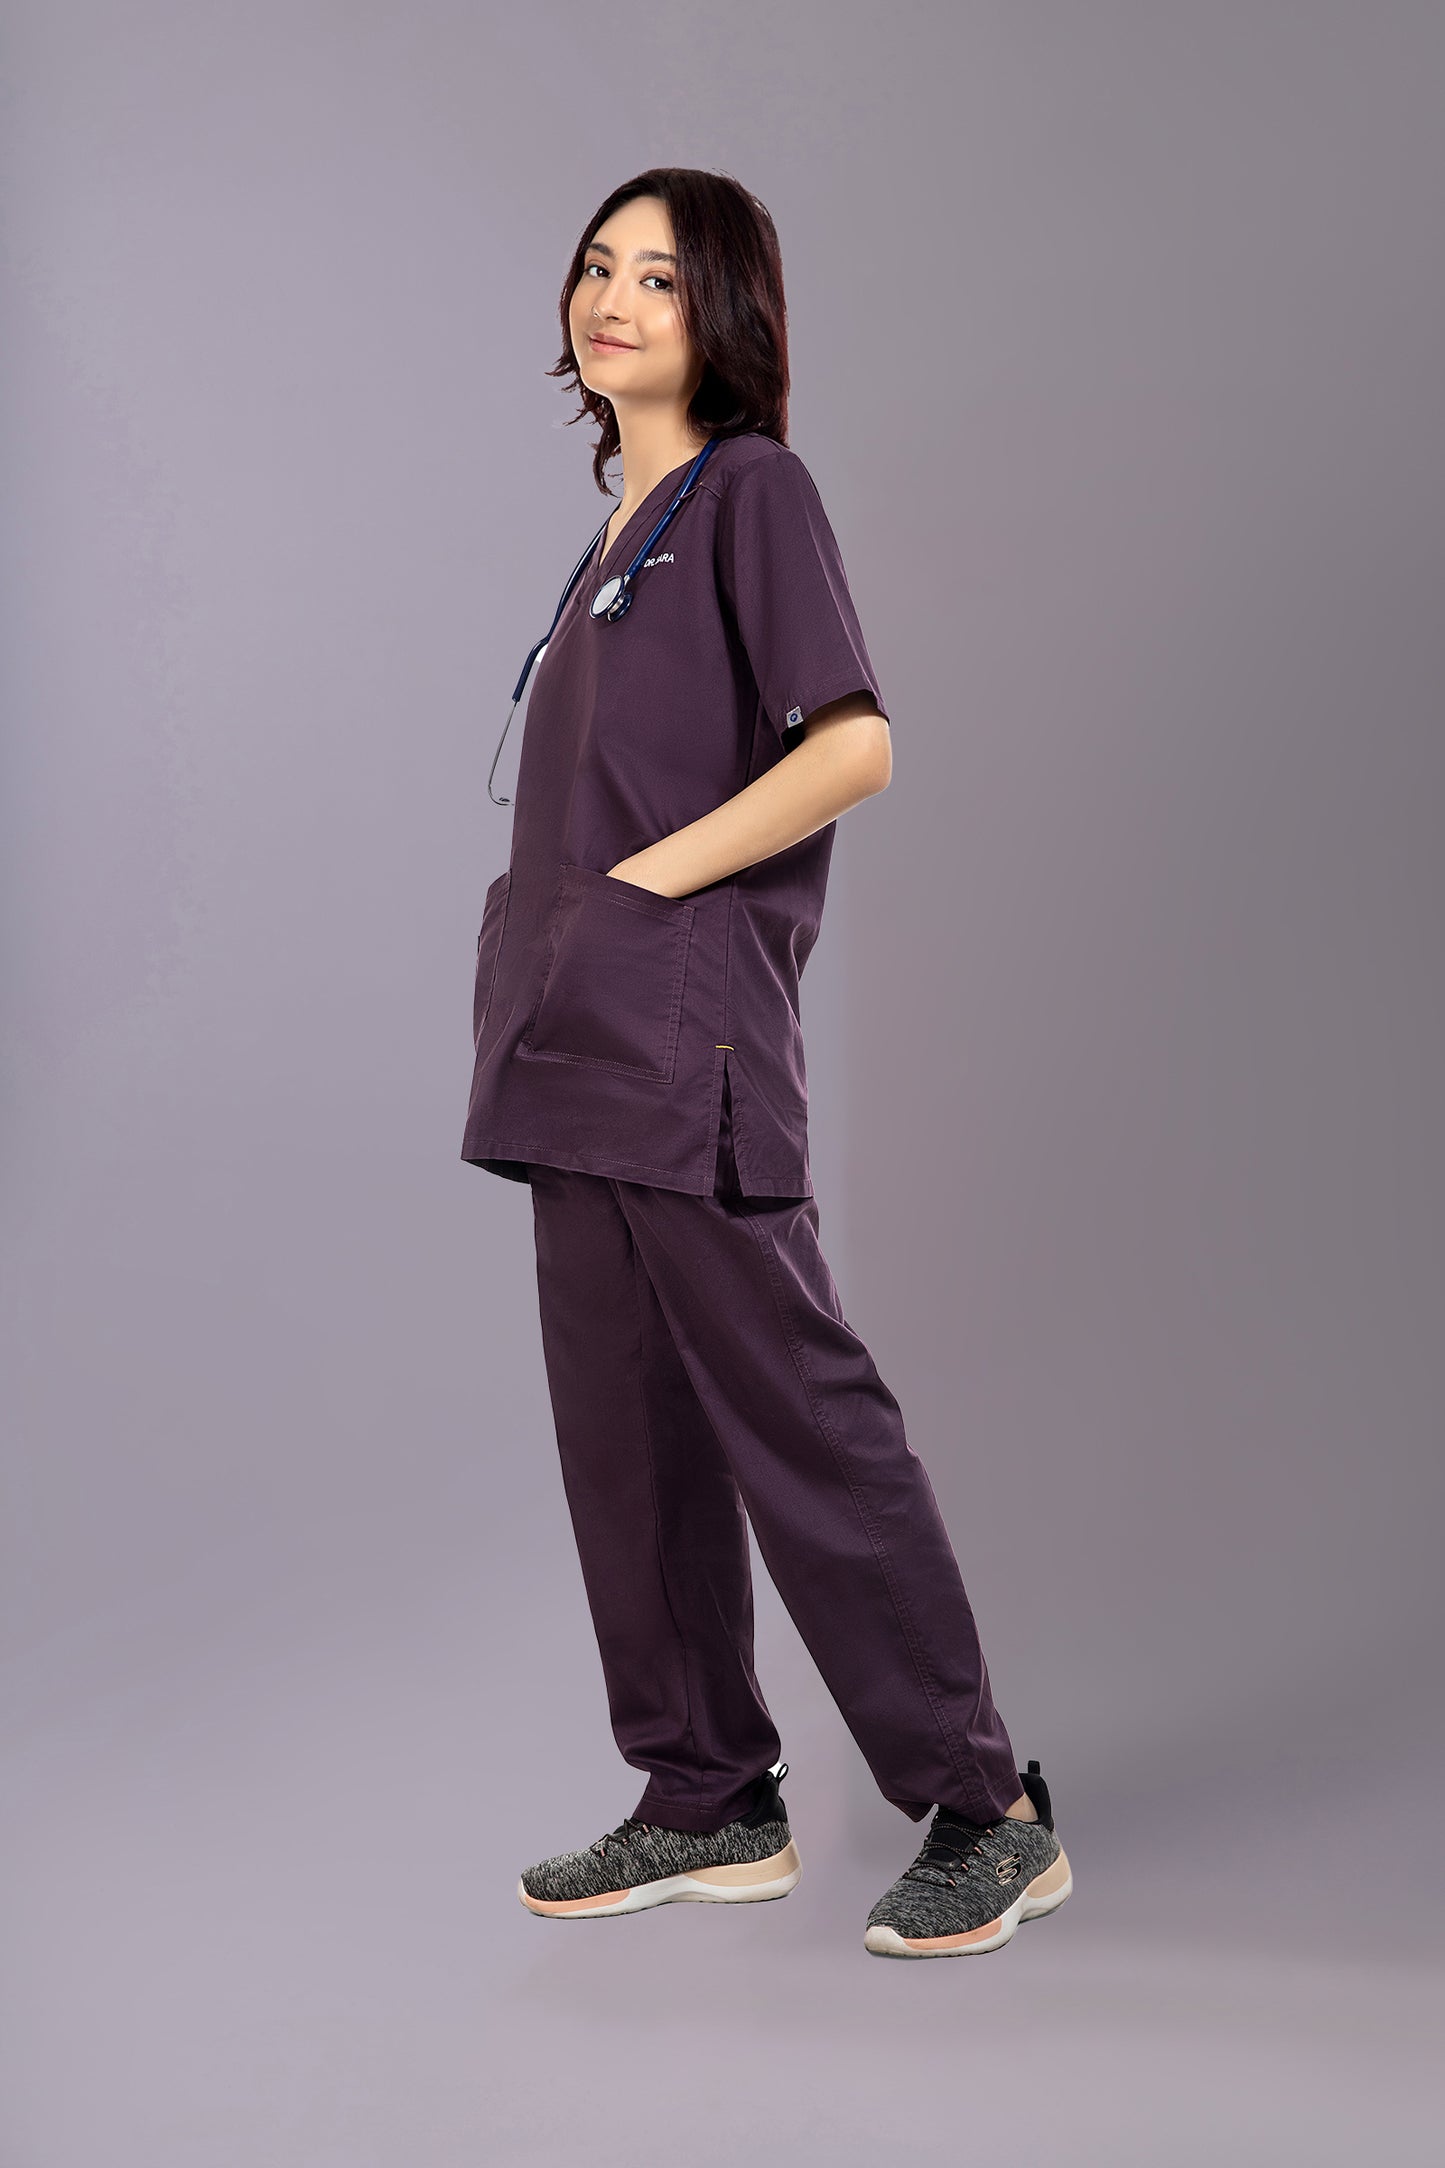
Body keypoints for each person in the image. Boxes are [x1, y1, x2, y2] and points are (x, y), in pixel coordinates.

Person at [460, 168, 1072, 1958]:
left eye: (658, 276)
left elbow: (852, 745)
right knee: (623, 1432)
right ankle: (703, 1795)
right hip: (567, 1039)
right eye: (595, 266)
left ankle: (986, 1809)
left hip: (681, 1027)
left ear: (722, 310)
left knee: (797, 1416)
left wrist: (644, 886)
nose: (611, 297)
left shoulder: (749, 494)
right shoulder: (613, 535)